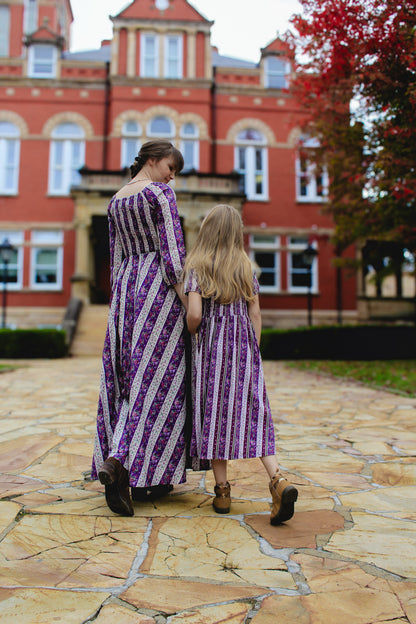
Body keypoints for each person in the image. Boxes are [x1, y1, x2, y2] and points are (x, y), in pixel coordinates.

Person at [183, 204, 298, 524]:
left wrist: (193, 332)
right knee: (256, 416)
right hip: (245, 353)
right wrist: (253, 350)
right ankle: (278, 479)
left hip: (213, 357)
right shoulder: (246, 267)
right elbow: (256, 313)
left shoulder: (198, 266)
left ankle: (222, 492)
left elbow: (194, 314)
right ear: (236, 233)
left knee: (216, 417)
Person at [91, 140, 188, 516]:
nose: (172, 175)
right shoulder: (159, 195)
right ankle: (133, 467)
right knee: (158, 382)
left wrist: (118, 303)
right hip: (157, 293)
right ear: (153, 159)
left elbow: (115, 257)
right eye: (170, 166)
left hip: (127, 291)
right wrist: (186, 299)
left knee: (129, 381)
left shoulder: (116, 200)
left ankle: (118, 461)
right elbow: (173, 254)